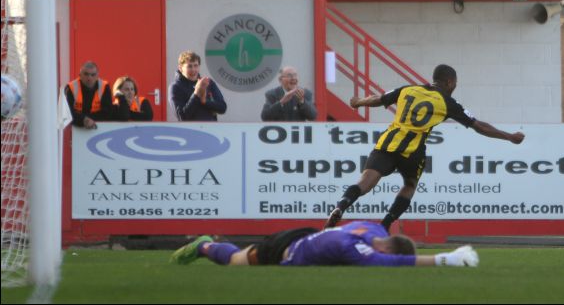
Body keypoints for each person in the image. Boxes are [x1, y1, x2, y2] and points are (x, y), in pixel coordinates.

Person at [325, 64, 526, 232]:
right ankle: (385, 225)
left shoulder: (407, 89)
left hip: (388, 143)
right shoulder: (448, 102)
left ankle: (341, 205)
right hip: (413, 151)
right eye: (454, 84)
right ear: (449, 82)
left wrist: (357, 102)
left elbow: (378, 99)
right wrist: (508, 137)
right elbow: (479, 126)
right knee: (410, 184)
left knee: (365, 182)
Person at [169, 221, 479, 267]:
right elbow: (385, 262)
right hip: (288, 249)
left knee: (244, 254)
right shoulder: (356, 249)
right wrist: (443, 259)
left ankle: (211, 244)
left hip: (306, 235)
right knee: (238, 262)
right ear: (385, 247)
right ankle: (204, 246)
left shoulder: (370, 229)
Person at [170, 51, 227, 121]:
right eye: (189, 66)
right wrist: (196, 93)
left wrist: (205, 102)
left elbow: (223, 108)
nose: (193, 70)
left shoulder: (208, 82)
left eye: (196, 65)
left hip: (210, 129)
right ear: (180, 68)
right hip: (190, 130)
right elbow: (182, 117)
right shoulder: (176, 87)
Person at [65, 61, 114, 129]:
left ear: (97, 76)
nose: (89, 78)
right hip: (75, 129)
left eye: (93, 75)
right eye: (86, 74)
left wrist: (87, 119)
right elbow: (67, 112)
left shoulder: (104, 86)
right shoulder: (71, 87)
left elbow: (108, 112)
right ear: (80, 75)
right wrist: (83, 120)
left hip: (98, 128)